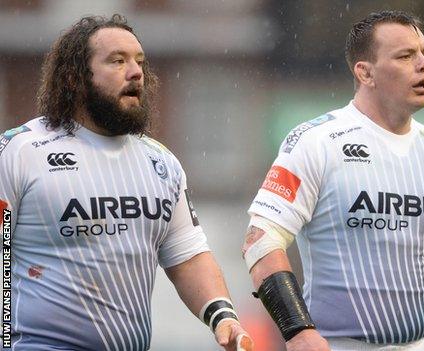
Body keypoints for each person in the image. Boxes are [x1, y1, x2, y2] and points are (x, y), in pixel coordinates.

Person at [242, 10, 424, 351]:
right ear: (365, 72)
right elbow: (260, 241)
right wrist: (298, 332)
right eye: (405, 56)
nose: (423, 65)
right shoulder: (315, 142)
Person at [0, 15, 252, 351]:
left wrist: (223, 317)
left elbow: (188, 256)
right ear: (76, 78)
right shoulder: (19, 152)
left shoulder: (162, 163)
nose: (136, 72)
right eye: (117, 61)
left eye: (139, 62)